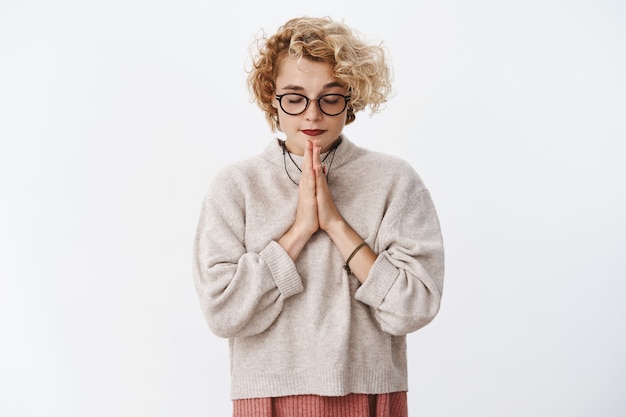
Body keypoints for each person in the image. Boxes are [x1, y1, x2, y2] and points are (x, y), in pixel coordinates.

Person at [193, 16, 444, 417]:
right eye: (294, 98)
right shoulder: (236, 186)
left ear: (352, 99)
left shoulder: (394, 180)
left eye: (330, 98)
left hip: (370, 392)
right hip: (266, 396)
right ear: (270, 99)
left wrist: (336, 225)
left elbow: (414, 307)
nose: (312, 116)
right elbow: (223, 312)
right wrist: (300, 230)